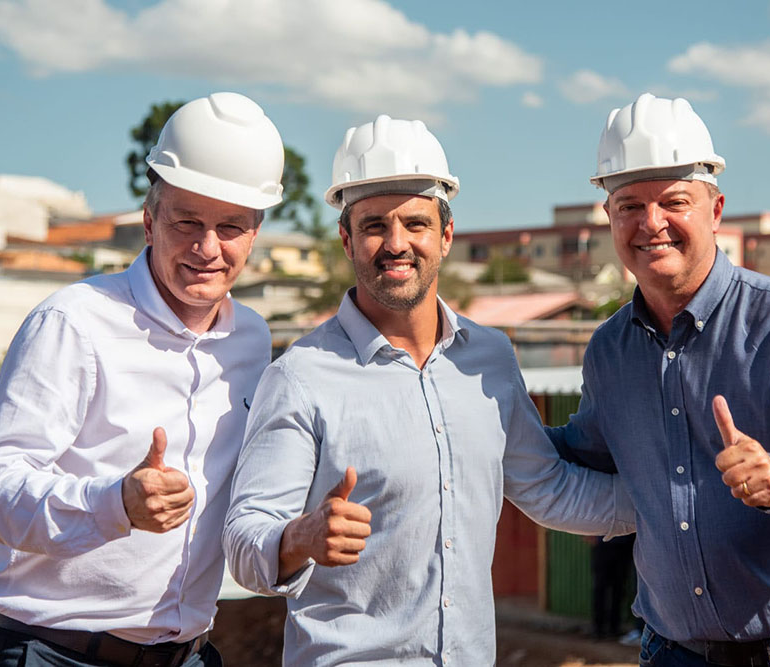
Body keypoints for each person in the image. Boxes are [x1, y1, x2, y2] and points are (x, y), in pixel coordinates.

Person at [223, 114, 635, 665]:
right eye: (374, 226)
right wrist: (299, 539)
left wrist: (681, 505)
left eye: (415, 224)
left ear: (445, 236)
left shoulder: (489, 359)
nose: (396, 244)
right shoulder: (300, 378)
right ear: (346, 238)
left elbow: (548, 487)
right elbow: (245, 540)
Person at [546, 93, 770, 666]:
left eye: (673, 201)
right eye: (629, 204)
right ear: (608, 217)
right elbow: (586, 453)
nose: (651, 223)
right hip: (672, 652)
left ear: (716, 209)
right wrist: (486, 428)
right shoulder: (610, 349)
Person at [0, 92, 285, 667]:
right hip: (52, 653)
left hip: (186, 654)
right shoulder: (74, 322)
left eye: (230, 227)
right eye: (187, 221)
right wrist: (114, 503)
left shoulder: (253, 341)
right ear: (148, 220)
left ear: (254, 233)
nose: (207, 248)